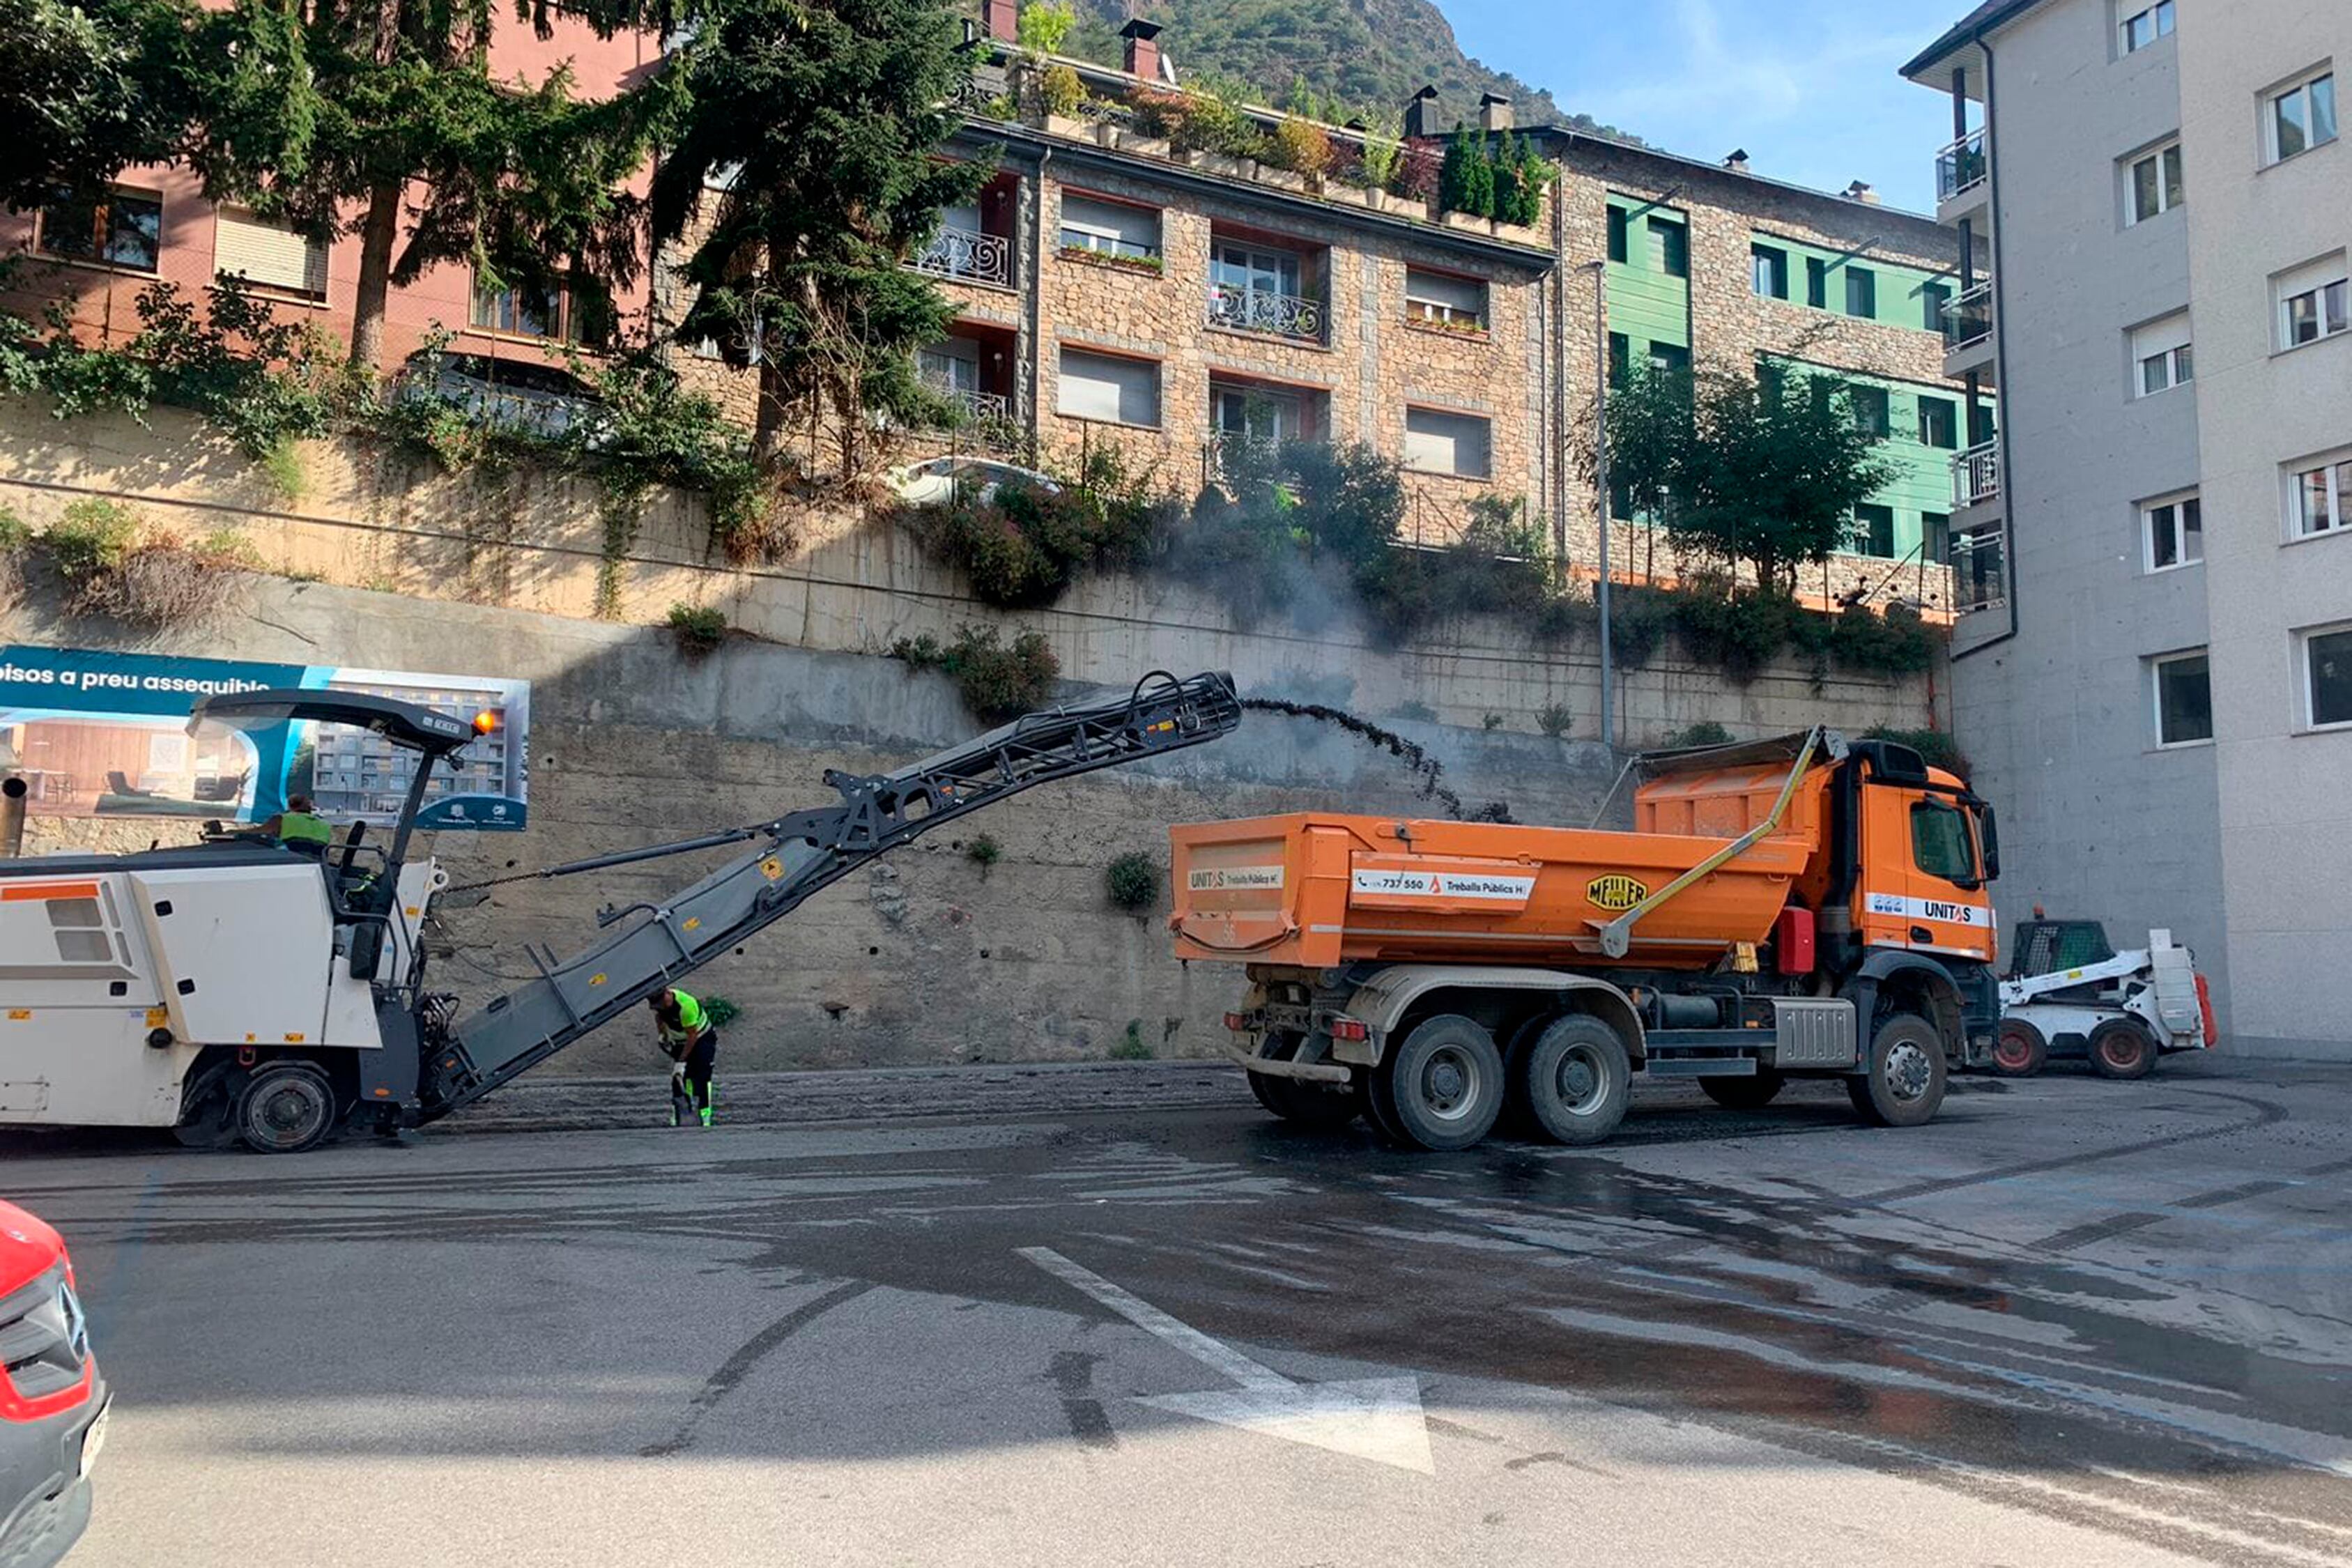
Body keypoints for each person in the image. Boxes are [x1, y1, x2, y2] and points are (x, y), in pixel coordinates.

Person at [650, 987, 718, 1127]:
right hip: (680, 1040)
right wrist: (663, 1035)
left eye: (662, 1004)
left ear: (668, 993)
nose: (661, 1007)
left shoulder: (686, 1006)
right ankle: (680, 1114)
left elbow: (692, 1036)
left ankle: (704, 1115)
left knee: (702, 1075)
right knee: (681, 1078)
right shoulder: (662, 1006)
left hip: (701, 1037)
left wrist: (681, 1061)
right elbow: (659, 1018)